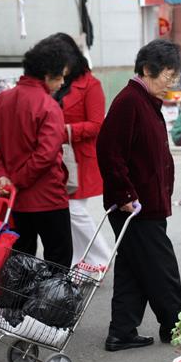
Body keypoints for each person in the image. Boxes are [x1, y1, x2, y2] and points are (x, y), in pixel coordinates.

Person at [97, 39, 181, 351]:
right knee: (161, 267)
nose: (171, 85)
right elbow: (109, 152)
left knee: (133, 267)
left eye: (175, 78)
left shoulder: (143, 100)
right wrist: (124, 193)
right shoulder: (129, 102)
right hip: (134, 206)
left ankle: (121, 331)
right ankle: (178, 325)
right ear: (148, 70)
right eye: (167, 77)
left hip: (145, 202)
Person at [0, 36, 73, 268]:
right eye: (60, 76)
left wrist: (3, 178)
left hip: (13, 202)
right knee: (58, 262)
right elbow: (46, 154)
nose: (62, 83)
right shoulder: (49, 106)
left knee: (19, 262)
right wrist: (16, 181)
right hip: (49, 198)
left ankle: (15, 305)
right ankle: (49, 305)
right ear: (47, 75)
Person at [51, 33, 111, 269]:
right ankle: (79, 260)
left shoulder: (91, 85)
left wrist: (65, 130)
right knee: (66, 212)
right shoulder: (56, 82)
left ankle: (101, 258)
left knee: (74, 210)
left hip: (81, 158)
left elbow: (97, 124)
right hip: (56, 156)